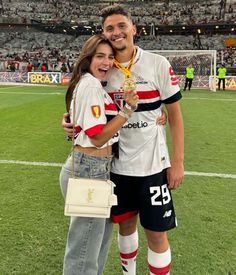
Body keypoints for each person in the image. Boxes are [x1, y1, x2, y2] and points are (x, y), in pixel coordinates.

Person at [62, 5, 184, 275]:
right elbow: (88, 105)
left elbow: (175, 115)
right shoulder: (104, 71)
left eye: (121, 26)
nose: (116, 33)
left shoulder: (157, 64)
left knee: (157, 234)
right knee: (125, 227)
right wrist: (69, 121)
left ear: (133, 29)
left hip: (152, 166)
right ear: (103, 32)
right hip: (115, 168)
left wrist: (178, 162)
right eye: (109, 29)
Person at [59, 34, 139, 275]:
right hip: (90, 168)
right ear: (88, 58)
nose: (106, 62)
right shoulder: (91, 85)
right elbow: (96, 136)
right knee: (84, 252)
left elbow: (81, 128)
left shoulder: (90, 84)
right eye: (100, 56)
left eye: (110, 57)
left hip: (95, 167)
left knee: (95, 246)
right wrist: (127, 111)